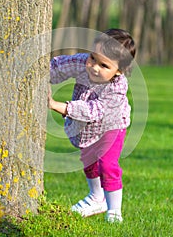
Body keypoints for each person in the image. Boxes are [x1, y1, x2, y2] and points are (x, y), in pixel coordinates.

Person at [48, 28, 136, 223]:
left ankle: (114, 210)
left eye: (104, 65)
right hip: (88, 128)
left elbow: (94, 110)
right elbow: (60, 67)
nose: (94, 67)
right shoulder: (83, 63)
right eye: (93, 58)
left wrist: (57, 106)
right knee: (88, 161)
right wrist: (42, 74)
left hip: (112, 126)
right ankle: (96, 197)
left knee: (107, 163)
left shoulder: (117, 87)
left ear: (119, 71)